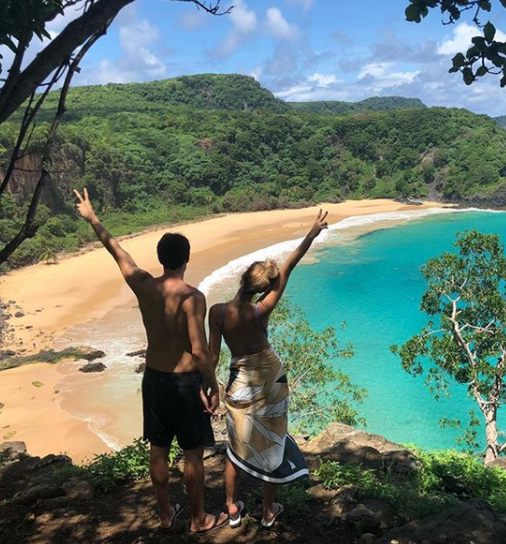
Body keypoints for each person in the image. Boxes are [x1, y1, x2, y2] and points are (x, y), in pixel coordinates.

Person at [74, 188, 228, 535]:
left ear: (161, 259)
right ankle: (199, 518)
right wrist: (212, 385)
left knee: (158, 449)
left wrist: (93, 219)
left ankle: (164, 514)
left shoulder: (144, 286)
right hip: (185, 382)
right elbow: (200, 350)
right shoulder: (192, 297)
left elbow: (120, 254)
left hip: (154, 378)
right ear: (186, 259)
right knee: (192, 453)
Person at [208, 209, 329, 529]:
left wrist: (210, 390)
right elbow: (289, 264)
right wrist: (312, 233)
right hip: (271, 380)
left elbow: (211, 357)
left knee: (235, 448)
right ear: (262, 287)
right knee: (272, 443)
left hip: (240, 383)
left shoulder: (217, 313)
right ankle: (267, 511)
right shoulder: (263, 309)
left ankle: (232, 508)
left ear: (242, 278)